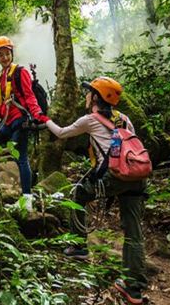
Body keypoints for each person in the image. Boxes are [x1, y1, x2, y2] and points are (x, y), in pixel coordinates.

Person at [43, 77, 148, 304]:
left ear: (96, 97)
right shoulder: (125, 119)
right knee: (133, 229)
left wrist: (44, 119)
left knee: (78, 194)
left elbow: (61, 133)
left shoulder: (90, 119)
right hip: (136, 177)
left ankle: (79, 245)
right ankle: (134, 289)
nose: (86, 96)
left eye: (89, 92)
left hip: (114, 177)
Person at [0, 36, 50, 212]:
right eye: (0, 55)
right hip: (6, 123)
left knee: (21, 157)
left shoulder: (20, 72)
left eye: (7, 53)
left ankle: (27, 200)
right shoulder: (0, 77)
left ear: (12, 53)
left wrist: (37, 115)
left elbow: (29, 96)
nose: (4, 57)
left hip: (20, 121)